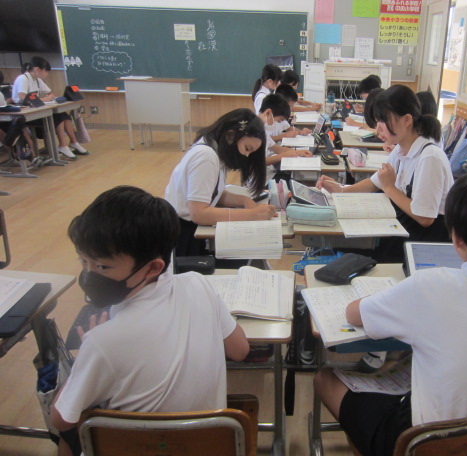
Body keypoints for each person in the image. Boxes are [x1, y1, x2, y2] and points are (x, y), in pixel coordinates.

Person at [313, 169, 467, 456]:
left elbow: (353, 314)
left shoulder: (429, 286)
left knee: (325, 379)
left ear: (456, 239)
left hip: (422, 443)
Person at [50, 186, 250, 456]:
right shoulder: (198, 283)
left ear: (153, 267)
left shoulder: (101, 342)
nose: (89, 275)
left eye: (102, 266)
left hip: (134, 447)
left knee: (68, 434)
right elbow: (240, 350)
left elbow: (61, 419)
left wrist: (86, 357)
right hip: (209, 445)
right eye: (83, 262)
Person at [317, 85, 454, 263]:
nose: (378, 128)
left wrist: (389, 188)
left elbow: (424, 217)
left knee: (359, 252)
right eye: (377, 121)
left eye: (383, 121)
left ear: (407, 120)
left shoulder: (430, 157)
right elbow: (375, 182)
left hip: (425, 243)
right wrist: (341, 191)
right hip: (406, 229)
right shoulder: (401, 149)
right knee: (345, 242)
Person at [165, 108, 275, 258]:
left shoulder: (216, 152)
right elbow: (199, 214)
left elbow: (215, 193)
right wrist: (252, 214)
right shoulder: (206, 157)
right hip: (182, 236)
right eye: (247, 148)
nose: (246, 155)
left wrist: (244, 201)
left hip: (189, 229)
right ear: (231, 135)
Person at [12, 56, 88, 160]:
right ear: (37, 69)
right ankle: (63, 145)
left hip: (37, 111)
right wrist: (44, 99)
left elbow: (51, 94)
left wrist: (46, 98)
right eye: (46, 71)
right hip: (26, 115)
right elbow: (22, 97)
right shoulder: (23, 78)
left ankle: (74, 142)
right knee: (58, 117)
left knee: (64, 115)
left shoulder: (37, 80)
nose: (47, 74)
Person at [258, 93, 312, 181]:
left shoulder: (262, 130)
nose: (276, 125)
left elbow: (277, 149)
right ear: (268, 113)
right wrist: (285, 155)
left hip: (267, 173)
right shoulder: (255, 131)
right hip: (261, 180)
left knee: (297, 176)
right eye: (278, 121)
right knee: (298, 179)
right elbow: (258, 162)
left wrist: (298, 152)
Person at [0, 91, 44, 167]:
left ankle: (32, 157)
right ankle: (15, 150)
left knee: (22, 129)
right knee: (14, 128)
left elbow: (4, 107)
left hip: (5, 119)